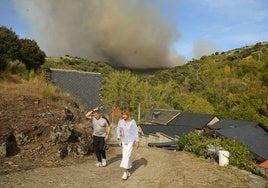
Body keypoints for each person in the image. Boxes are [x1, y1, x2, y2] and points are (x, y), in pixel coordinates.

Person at [116, 110, 139, 180]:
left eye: (125, 115)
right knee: (125, 155)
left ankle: (125, 173)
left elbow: (135, 131)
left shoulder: (132, 122)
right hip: (123, 140)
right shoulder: (120, 121)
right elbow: (118, 130)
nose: (123, 116)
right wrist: (119, 139)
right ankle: (128, 171)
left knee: (126, 155)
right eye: (122, 115)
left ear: (128, 115)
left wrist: (137, 141)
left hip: (130, 140)